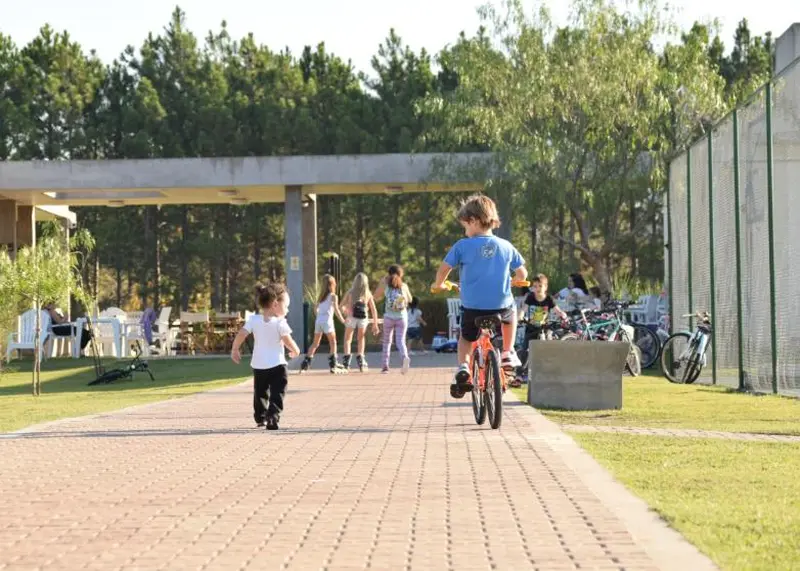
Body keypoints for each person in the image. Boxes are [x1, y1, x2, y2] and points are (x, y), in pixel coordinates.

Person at [432, 193, 528, 397]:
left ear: (474, 221)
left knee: (466, 338)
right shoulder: (506, 246)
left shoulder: (462, 246)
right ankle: (508, 352)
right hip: (501, 306)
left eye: (465, 226)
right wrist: (516, 280)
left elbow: (443, 269)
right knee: (511, 315)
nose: (465, 231)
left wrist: (439, 284)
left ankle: (463, 367)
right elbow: (523, 273)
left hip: (472, 308)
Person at [231, 282, 300, 431]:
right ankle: (273, 416)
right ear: (275, 304)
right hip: (278, 365)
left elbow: (242, 333)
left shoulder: (254, 320)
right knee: (278, 392)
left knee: (260, 392)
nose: (287, 310)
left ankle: (261, 417)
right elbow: (288, 340)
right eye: (286, 306)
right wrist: (296, 350)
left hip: (259, 365)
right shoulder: (280, 322)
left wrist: (235, 348)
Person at [514, 274, 568, 387]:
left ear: (545, 287)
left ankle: (546, 375)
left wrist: (562, 315)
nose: (537, 289)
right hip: (530, 328)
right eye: (535, 286)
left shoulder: (549, 299)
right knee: (525, 351)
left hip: (544, 329)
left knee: (545, 351)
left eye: (540, 286)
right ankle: (519, 375)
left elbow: (557, 310)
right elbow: (524, 309)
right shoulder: (530, 297)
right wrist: (520, 316)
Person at [300, 274, 347, 374]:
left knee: (315, 343)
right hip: (327, 322)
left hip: (319, 322)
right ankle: (333, 364)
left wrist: (319, 316)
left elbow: (315, 309)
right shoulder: (333, 296)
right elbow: (336, 310)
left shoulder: (321, 297)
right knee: (333, 342)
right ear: (332, 284)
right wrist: (343, 321)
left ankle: (305, 364)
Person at [373, 264, 413, 374]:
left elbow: (375, 297)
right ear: (401, 274)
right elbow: (410, 300)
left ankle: (385, 367)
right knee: (400, 341)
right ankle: (405, 357)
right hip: (402, 317)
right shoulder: (404, 286)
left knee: (387, 342)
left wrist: (382, 282)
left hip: (388, 317)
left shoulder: (386, 285)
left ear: (388, 274)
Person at [340, 273, 380, 372]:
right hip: (363, 318)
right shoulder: (367, 293)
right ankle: (361, 360)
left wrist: (345, 311)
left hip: (351, 317)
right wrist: (375, 324)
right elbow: (373, 309)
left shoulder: (350, 292)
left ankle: (346, 361)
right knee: (361, 338)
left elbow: (341, 306)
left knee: (347, 339)